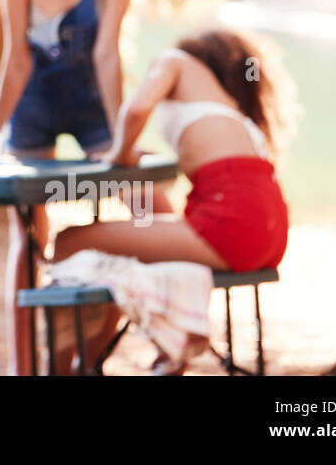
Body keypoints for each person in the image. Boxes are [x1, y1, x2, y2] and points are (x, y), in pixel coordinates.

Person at [49, 28, 295, 374]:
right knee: (123, 239)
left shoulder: (175, 61)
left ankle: (63, 368)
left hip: (230, 227)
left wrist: (118, 155)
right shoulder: (227, 106)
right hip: (269, 231)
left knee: (70, 241)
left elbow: (135, 111)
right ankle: (99, 361)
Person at [0, 0, 142, 376]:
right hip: (34, 107)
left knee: (142, 204)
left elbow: (107, 53)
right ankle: (21, 367)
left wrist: (121, 137)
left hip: (92, 102)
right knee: (28, 236)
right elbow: (16, 58)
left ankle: (85, 359)